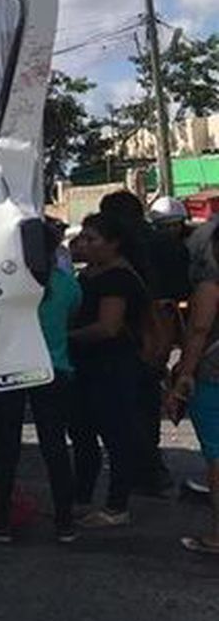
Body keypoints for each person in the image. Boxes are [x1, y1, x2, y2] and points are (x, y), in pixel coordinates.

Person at [0, 219, 80, 543]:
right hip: (54, 371)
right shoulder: (67, 285)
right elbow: (72, 315)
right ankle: (65, 523)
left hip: (11, 372)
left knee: (6, 449)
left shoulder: (5, 285)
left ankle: (1, 524)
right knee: (55, 448)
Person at [68, 211, 149, 527]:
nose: (84, 245)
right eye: (83, 238)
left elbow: (108, 327)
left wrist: (67, 337)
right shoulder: (89, 274)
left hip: (112, 365)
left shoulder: (117, 279)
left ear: (113, 243)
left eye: (92, 239)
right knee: (83, 432)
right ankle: (82, 497)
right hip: (88, 366)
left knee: (115, 434)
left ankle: (117, 504)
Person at [100, 190, 182, 494]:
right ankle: (152, 467)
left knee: (124, 408)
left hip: (126, 337)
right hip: (161, 333)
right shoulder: (167, 245)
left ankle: (139, 469)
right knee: (147, 403)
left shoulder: (119, 255)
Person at [167, 225, 219, 555]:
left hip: (213, 376)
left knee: (217, 456)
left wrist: (184, 375)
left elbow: (199, 331)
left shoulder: (210, 287)